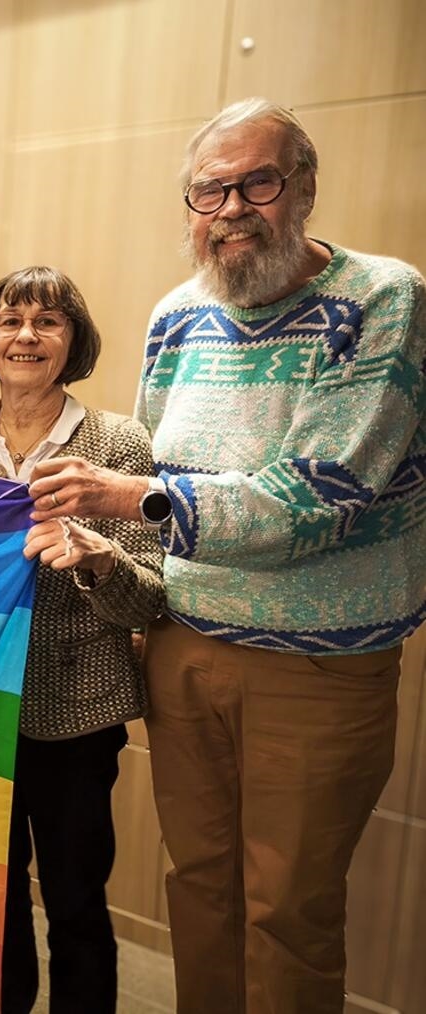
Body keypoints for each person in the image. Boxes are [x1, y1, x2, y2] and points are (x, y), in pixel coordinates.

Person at [28, 98, 426, 1013]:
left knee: (289, 909)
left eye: (259, 181)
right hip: (182, 648)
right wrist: (117, 559)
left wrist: (136, 500)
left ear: (305, 189)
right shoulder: (177, 317)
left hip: (321, 671)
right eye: (211, 190)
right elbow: (152, 467)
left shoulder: (384, 301)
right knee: (199, 889)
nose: (234, 208)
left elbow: (324, 492)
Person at [0, 266, 164, 1013]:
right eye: (9, 321)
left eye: (47, 322)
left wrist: (97, 557)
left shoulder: (118, 445)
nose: (25, 336)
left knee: (75, 904)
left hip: (77, 716)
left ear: (74, 340)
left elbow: (149, 599)